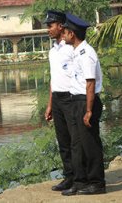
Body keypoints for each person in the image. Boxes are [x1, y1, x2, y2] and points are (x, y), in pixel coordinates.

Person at [60, 13, 106, 196]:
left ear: (72, 34)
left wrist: (88, 110)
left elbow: (90, 83)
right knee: (77, 144)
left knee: (90, 144)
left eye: (65, 31)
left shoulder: (87, 54)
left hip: (86, 102)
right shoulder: (77, 52)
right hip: (76, 100)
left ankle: (97, 182)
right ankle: (80, 181)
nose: (63, 34)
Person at [43, 10, 75, 191]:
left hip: (71, 98)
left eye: (50, 26)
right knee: (62, 141)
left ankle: (80, 176)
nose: (48, 29)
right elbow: (53, 79)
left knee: (75, 140)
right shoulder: (52, 52)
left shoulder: (71, 48)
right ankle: (68, 176)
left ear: (60, 26)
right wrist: (49, 105)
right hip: (57, 99)